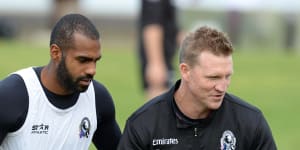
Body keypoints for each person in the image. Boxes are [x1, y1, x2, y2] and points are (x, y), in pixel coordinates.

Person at [117, 26, 277, 149]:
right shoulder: (144, 124)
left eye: (227, 76)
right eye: (213, 77)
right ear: (185, 71)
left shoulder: (250, 123)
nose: (222, 87)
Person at [0, 14, 121, 150]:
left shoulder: (98, 99)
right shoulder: (11, 96)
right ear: (55, 52)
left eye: (95, 61)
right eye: (83, 60)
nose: (92, 70)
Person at [138, 0, 181, 99]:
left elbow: (172, 28)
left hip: (166, 59)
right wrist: (155, 63)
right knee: (160, 107)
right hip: (159, 60)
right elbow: (152, 26)